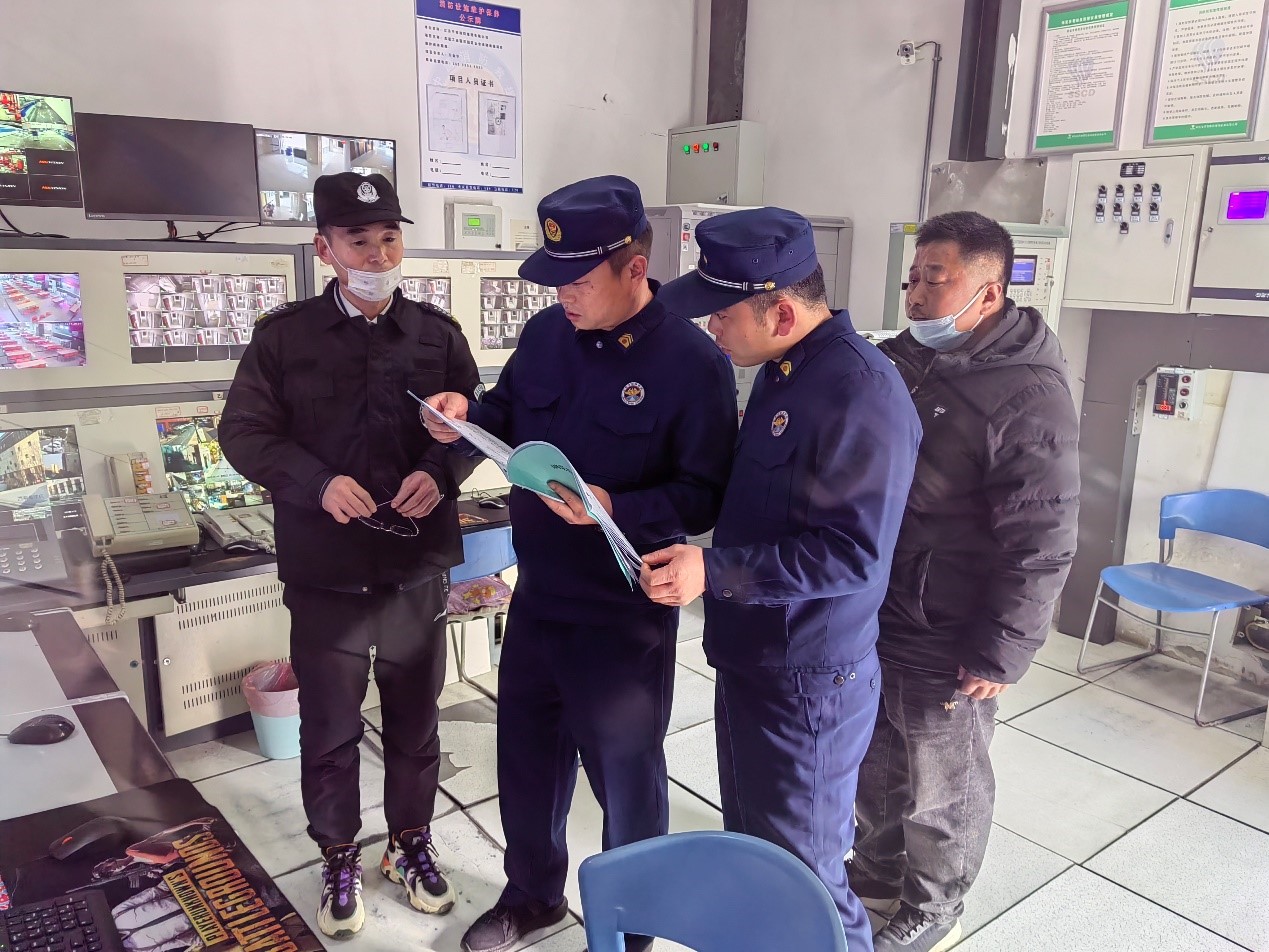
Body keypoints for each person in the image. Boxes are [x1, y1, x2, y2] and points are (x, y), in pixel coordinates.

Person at [422, 174, 737, 952]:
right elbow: (505, 412)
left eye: (579, 280)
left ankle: (635, 922)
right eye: (554, 278)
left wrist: (613, 504)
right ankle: (531, 895)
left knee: (624, 779)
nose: (562, 294)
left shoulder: (691, 362)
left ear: (636, 268)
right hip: (538, 597)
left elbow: (704, 495)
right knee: (526, 760)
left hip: (622, 614)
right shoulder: (545, 335)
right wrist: (466, 416)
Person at [640, 207, 922, 952]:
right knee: (756, 854)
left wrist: (712, 569)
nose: (711, 329)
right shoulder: (781, 370)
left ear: (783, 312)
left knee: (807, 875)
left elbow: (853, 553)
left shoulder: (861, 391)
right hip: (754, 658)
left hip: (808, 682)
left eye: (721, 315)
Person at [220, 172, 482, 939]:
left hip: (413, 569)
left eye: (389, 238)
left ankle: (409, 844)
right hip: (325, 571)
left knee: (414, 723)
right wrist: (317, 481)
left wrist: (441, 472)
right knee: (330, 727)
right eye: (358, 240)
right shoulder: (284, 338)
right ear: (324, 248)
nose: (377, 254)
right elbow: (243, 433)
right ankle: (337, 852)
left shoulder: (436, 335)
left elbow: (476, 425)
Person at [850, 211, 1080, 952]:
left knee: (943, 778)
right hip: (886, 605)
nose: (915, 294)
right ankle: (877, 869)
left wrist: (1002, 649)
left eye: (934, 280)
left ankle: (937, 905)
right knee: (879, 757)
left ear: (988, 291)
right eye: (912, 278)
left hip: (952, 625)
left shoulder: (1028, 393)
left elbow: (1043, 537)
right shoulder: (912, 359)